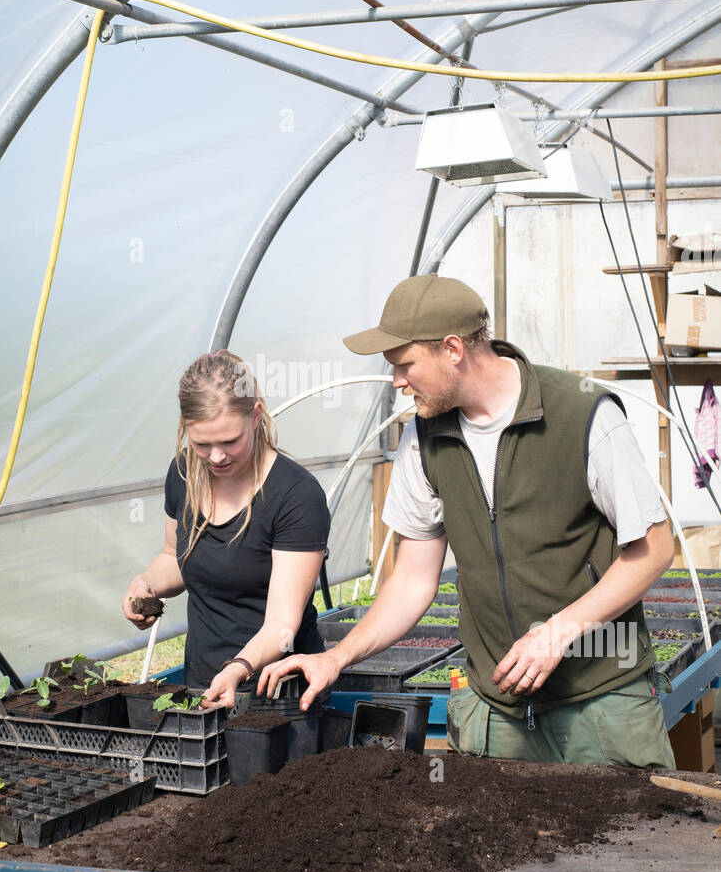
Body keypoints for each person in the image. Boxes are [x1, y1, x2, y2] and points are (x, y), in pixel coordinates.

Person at [260, 274, 676, 769]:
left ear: (453, 348)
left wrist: (557, 631)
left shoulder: (583, 413)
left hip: (603, 697)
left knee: (635, 842)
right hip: (496, 706)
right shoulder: (424, 436)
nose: (396, 381)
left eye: (404, 364)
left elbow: (654, 548)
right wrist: (336, 657)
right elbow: (414, 579)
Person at [122, 350, 330, 708]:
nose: (216, 456)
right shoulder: (184, 473)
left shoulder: (296, 496)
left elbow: (282, 623)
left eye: (230, 441)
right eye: (202, 444)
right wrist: (146, 585)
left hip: (278, 694)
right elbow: (174, 555)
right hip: (202, 682)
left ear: (255, 417)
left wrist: (237, 669)